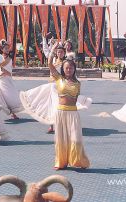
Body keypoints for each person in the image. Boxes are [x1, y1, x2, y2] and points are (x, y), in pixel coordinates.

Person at [20, 39, 92, 134]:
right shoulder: (54, 59)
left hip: (61, 87)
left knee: (57, 105)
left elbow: (71, 71)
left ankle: (63, 124)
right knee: (50, 106)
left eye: (61, 52)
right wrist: (52, 47)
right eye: (58, 52)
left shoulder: (66, 62)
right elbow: (48, 59)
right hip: (51, 86)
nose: (59, 53)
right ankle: (51, 125)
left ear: (64, 53)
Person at [48, 42, 90, 170]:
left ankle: (78, 160)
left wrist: (85, 103)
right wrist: (53, 49)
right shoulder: (59, 79)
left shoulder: (78, 83)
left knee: (76, 139)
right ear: (63, 69)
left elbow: (77, 99)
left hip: (73, 113)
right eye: (66, 68)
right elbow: (49, 63)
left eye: (71, 68)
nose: (68, 70)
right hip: (60, 113)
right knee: (61, 139)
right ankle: (61, 162)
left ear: (74, 69)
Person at [0, 36, 24, 119]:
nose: (7, 50)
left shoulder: (10, 59)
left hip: (8, 80)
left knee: (11, 97)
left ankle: (13, 113)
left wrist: (6, 73)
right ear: (2, 49)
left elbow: (9, 70)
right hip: (1, 81)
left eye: (8, 48)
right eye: (5, 48)